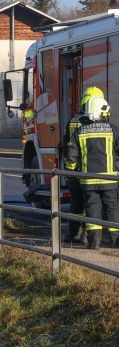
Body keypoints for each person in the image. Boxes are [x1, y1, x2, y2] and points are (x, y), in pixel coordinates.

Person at [65, 96, 119, 249]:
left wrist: (72, 174)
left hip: (88, 182)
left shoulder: (80, 131)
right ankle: (116, 242)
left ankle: (94, 243)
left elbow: (71, 157)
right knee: (112, 209)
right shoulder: (113, 129)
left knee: (92, 211)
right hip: (109, 181)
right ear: (101, 112)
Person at [61, 86, 105, 244]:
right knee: (92, 205)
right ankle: (89, 235)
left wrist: (68, 169)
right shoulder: (100, 122)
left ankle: (73, 233)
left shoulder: (72, 120)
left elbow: (66, 145)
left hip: (75, 171)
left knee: (76, 203)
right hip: (92, 170)